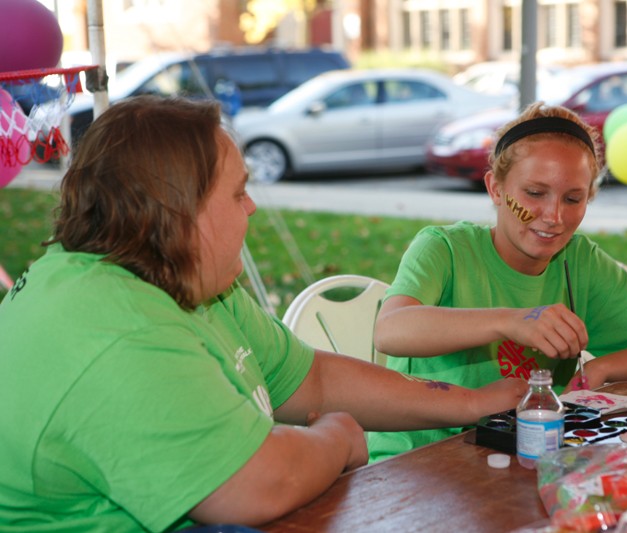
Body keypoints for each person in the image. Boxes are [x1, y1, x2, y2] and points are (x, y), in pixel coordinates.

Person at [0, 95, 527, 532]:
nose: (250, 207)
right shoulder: (115, 328)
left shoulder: (176, 278)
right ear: (179, 213)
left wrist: (472, 403)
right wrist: (338, 439)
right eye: (238, 192)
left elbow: (313, 379)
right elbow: (259, 486)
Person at [368, 102, 627, 462]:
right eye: (534, 193)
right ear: (496, 189)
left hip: (521, 454)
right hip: (417, 460)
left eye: (573, 198)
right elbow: (390, 331)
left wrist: (602, 367)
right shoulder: (445, 248)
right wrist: (511, 320)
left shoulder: (579, 262)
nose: (554, 217)